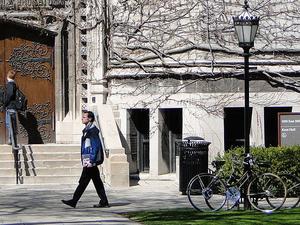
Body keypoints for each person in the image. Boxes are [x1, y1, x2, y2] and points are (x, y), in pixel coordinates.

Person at [62, 110, 109, 208]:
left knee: (83, 181)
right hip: (87, 159)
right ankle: (104, 201)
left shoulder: (92, 131)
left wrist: (91, 160)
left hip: (89, 160)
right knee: (97, 182)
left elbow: (95, 147)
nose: (82, 118)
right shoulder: (87, 130)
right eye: (82, 117)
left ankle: (74, 201)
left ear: (90, 118)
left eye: (84, 117)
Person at [4, 70, 17, 145]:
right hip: (12, 106)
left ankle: (11, 139)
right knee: (11, 123)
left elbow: (10, 95)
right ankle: (12, 139)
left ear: (8, 76)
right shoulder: (14, 84)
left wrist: (5, 103)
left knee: (9, 123)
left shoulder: (10, 84)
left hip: (10, 107)